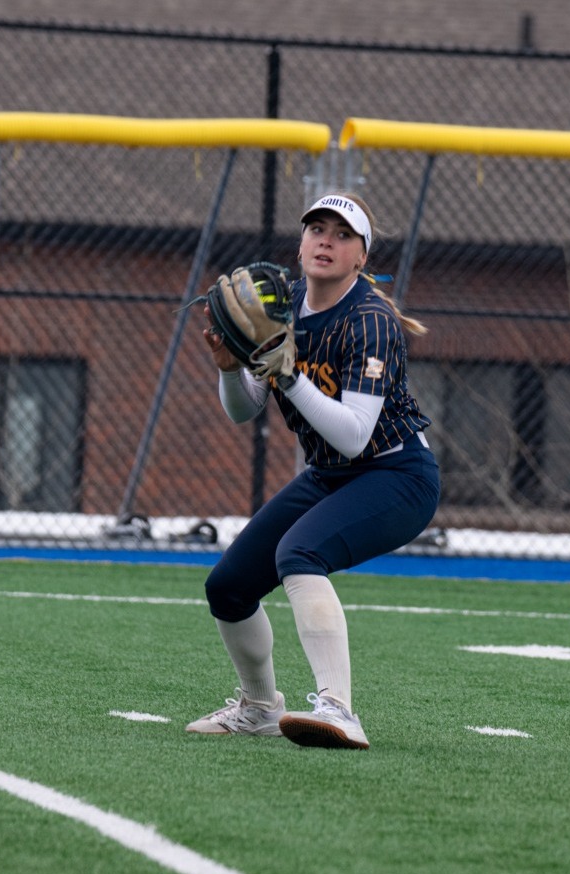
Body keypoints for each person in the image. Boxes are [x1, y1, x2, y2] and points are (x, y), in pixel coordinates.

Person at [185, 192, 440, 750]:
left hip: (397, 474)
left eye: (342, 234)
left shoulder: (370, 320)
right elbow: (243, 409)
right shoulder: (283, 305)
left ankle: (339, 709)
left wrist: (288, 372)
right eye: (316, 229)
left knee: (300, 553)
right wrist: (232, 369)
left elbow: (353, 434)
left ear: (361, 258)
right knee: (228, 588)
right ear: (300, 244)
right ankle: (258, 706)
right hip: (331, 473)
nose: (326, 240)